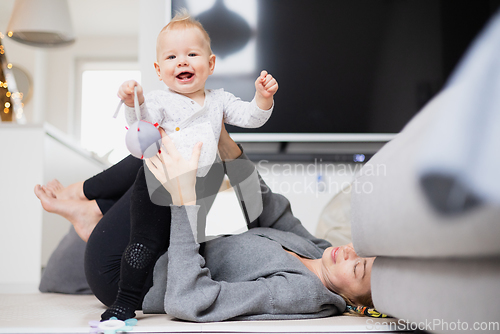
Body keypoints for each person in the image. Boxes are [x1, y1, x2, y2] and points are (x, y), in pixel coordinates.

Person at [35, 123, 375, 322]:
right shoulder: (318, 251)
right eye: (358, 251)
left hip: (125, 274)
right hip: (155, 250)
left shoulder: (301, 293)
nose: (347, 253)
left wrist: (186, 203)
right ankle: (91, 212)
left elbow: (189, 299)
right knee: (192, 144)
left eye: (357, 269)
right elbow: (271, 210)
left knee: (165, 152)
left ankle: (81, 196)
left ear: (358, 304)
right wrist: (227, 144)